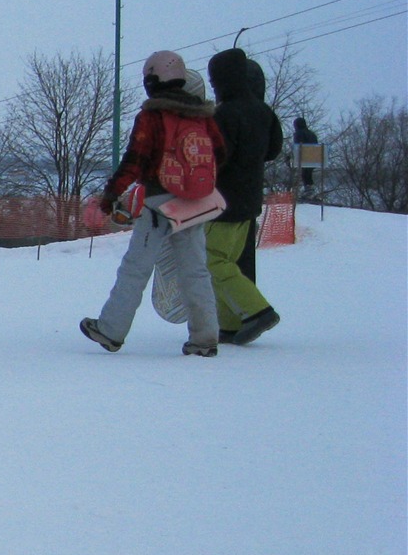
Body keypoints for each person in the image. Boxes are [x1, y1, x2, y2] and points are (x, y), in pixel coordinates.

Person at [81, 50, 222, 357]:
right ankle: (205, 337)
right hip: (194, 204)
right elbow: (219, 154)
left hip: (158, 203)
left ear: (152, 79)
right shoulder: (202, 116)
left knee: (135, 268)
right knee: (196, 271)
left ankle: (111, 329)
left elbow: (134, 161)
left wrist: (108, 198)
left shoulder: (152, 116)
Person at [205, 48, 282, 345]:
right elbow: (273, 150)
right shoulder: (264, 112)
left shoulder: (225, 113)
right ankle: (230, 324)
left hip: (224, 201)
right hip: (250, 199)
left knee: (213, 259)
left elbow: (216, 158)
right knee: (232, 262)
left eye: (214, 80)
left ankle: (258, 311)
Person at [293, 114, 320, 192]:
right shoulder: (312, 134)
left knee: (305, 175)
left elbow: (297, 147)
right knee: (308, 175)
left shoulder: (298, 133)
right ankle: (310, 189)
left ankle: (308, 190)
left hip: (304, 157)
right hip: (315, 158)